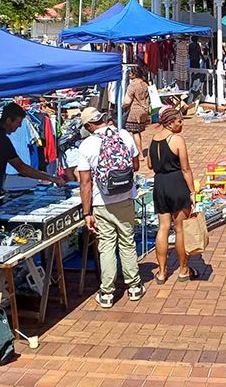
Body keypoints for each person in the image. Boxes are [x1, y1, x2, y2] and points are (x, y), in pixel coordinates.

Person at [77, 107, 144, 308]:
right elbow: (136, 166)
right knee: (127, 241)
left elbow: (85, 182)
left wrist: (86, 212)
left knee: (106, 245)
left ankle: (107, 293)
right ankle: (133, 286)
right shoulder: (123, 135)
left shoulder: (86, 145)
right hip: (125, 198)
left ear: (89, 125)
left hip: (101, 201)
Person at [0, 102, 64, 206]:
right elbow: (21, 167)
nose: (20, 126)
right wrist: (51, 178)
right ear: (8, 120)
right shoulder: (1, 139)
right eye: (18, 122)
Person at [146, 107, 197, 283]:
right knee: (180, 229)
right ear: (170, 123)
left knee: (163, 228)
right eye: (179, 121)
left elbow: (150, 164)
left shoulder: (153, 139)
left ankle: (161, 272)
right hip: (176, 184)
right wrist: (192, 191)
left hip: (159, 184)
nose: (181, 124)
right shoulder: (177, 140)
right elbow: (185, 168)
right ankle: (183, 269)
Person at [122, 64, 152, 158]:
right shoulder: (145, 83)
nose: (129, 74)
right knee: (138, 132)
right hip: (144, 110)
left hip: (134, 111)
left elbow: (127, 101)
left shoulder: (133, 85)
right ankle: (140, 152)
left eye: (130, 72)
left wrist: (121, 106)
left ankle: (140, 153)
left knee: (135, 132)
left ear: (135, 73)